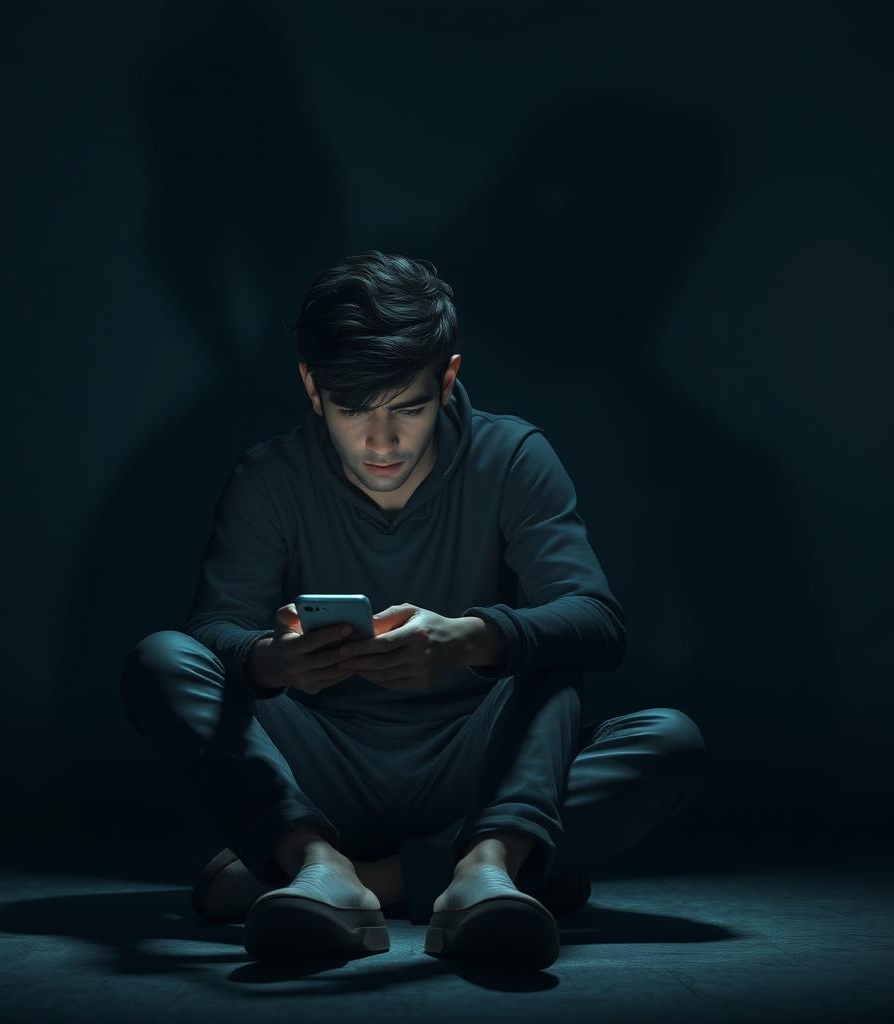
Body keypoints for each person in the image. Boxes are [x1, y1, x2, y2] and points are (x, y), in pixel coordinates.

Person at [121, 250, 706, 969]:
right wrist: (272, 660)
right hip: (322, 768)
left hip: (475, 761)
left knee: (628, 712)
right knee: (161, 660)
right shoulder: (270, 476)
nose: (382, 441)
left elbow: (598, 621)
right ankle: (326, 859)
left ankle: (423, 874)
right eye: (353, 409)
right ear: (312, 388)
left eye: (410, 406)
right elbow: (212, 634)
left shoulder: (513, 456)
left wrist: (471, 639)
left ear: (448, 377)